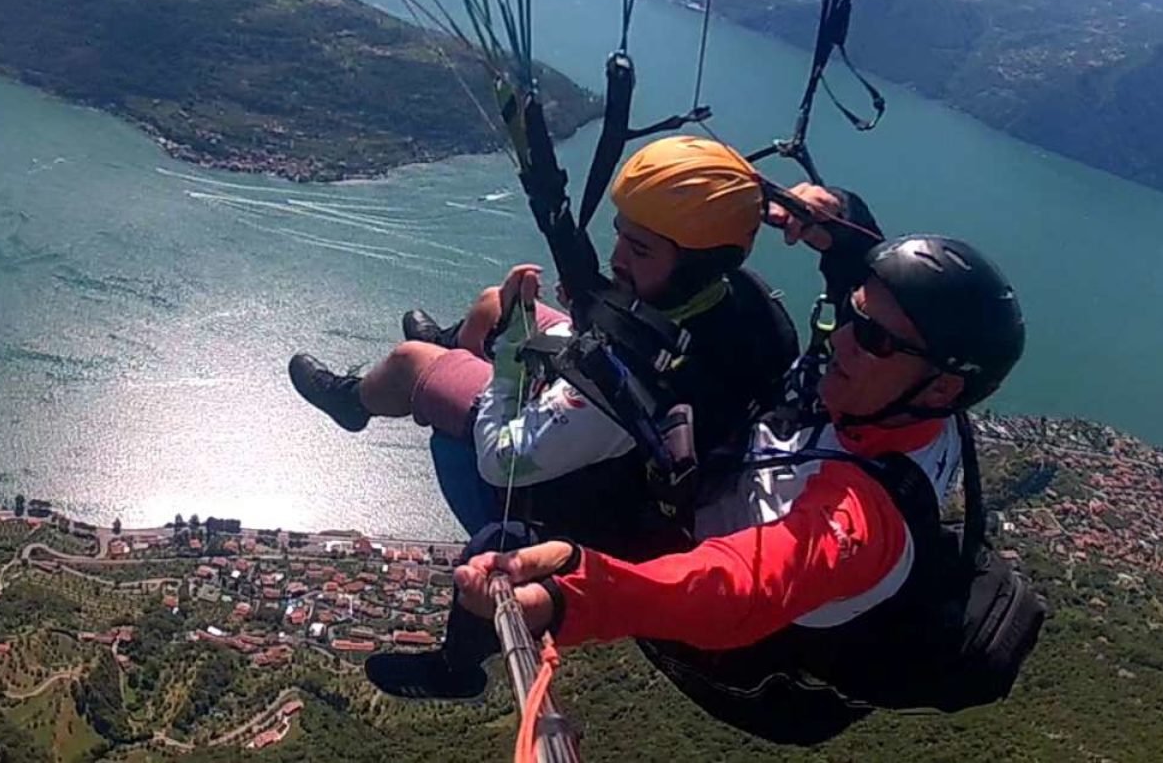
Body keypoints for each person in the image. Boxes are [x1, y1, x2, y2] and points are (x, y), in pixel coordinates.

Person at [448, 234, 1034, 743]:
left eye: (874, 340)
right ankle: (449, 352)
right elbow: (886, 309)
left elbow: (738, 584)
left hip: (726, 639)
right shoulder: (905, 407)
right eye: (853, 314)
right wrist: (840, 227)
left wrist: (578, 592)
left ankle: (456, 665)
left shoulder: (858, 523)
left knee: (486, 483)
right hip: (715, 490)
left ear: (940, 389)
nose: (844, 339)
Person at [287, 136, 800, 542]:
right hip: (634, 437)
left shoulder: (626, 381)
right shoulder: (745, 302)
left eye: (639, 250)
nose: (617, 256)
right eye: (621, 234)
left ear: (695, 266)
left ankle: (354, 400)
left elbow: (501, 459)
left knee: (410, 362)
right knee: (495, 302)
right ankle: (457, 344)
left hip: (574, 494)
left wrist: (511, 353)